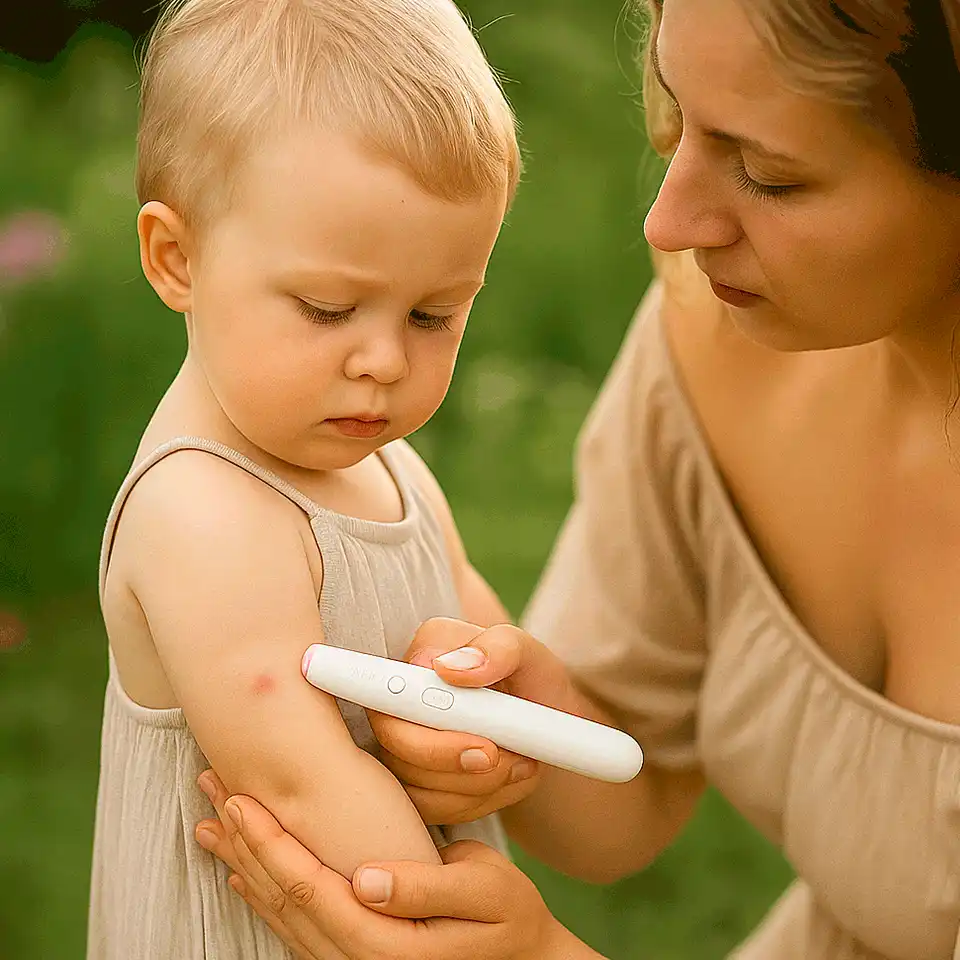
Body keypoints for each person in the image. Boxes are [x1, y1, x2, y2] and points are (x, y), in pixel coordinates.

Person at [193, 0, 960, 957]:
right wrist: (513, 736)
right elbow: (624, 809)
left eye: (769, 176)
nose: (670, 222)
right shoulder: (723, 335)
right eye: (681, 119)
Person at [87, 0, 528, 956]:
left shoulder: (391, 467)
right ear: (177, 258)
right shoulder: (203, 511)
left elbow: (487, 653)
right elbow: (296, 781)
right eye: (328, 309)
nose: (382, 360)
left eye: (434, 315)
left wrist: (482, 739)